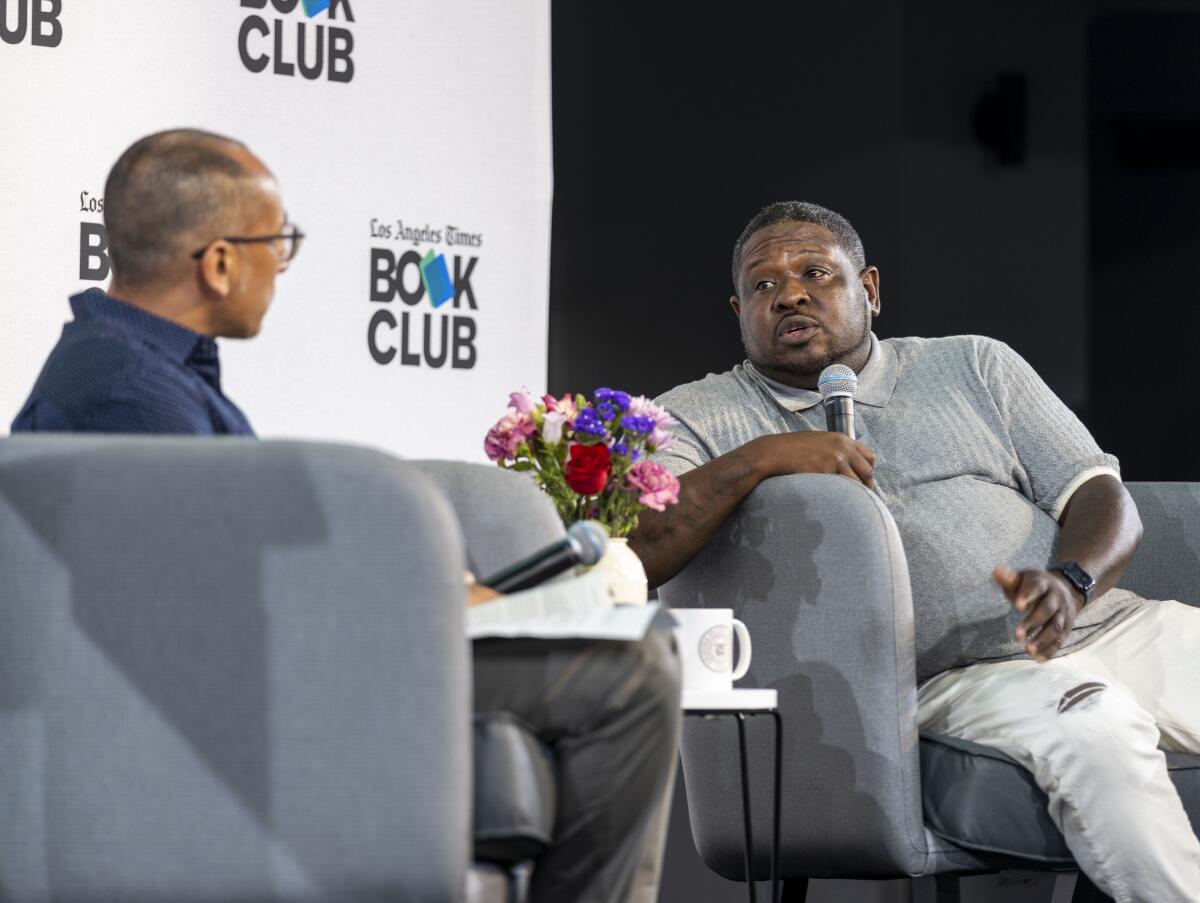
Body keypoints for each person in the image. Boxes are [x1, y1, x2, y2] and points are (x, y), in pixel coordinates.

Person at [11, 129, 680, 903]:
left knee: (627, 651)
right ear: (220, 262)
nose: (283, 262)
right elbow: (199, 617)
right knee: (631, 676)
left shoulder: (130, 364)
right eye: (278, 240)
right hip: (250, 690)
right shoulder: (126, 392)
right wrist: (413, 605)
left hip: (271, 661)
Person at [630, 200, 1200, 901]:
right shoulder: (696, 413)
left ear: (869, 288)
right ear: (739, 309)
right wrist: (762, 459)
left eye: (815, 271)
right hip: (965, 674)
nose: (791, 294)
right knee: (1101, 738)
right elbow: (638, 548)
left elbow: (1100, 496)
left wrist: (1070, 581)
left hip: (1114, 625)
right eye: (763, 285)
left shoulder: (974, 364)